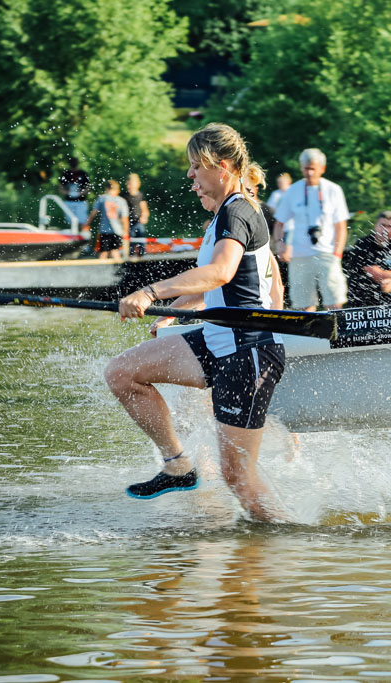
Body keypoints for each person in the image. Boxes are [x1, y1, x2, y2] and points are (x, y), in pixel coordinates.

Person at [106, 122, 288, 522]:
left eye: (195, 167)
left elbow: (221, 272)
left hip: (248, 352)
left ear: (220, 166)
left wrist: (152, 292)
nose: (190, 176)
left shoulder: (238, 211)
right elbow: (218, 285)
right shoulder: (224, 215)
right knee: (122, 373)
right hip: (215, 338)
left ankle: (290, 541)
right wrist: (178, 307)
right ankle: (177, 465)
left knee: (237, 477)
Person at [272, 148, 349, 311]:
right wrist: (280, 244)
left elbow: (341, 226)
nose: (309, 172)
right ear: (301, 168)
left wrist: (338, 253)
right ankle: (308, 335)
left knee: (334, 300)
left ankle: (335, 335)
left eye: (313, 168)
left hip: (327, 252)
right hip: (300, 254)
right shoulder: (292, 191)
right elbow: (279, 223)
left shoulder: (333, 190)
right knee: (303, 303)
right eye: (306, 168)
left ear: (322, 168)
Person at [85, 179, 129, 259]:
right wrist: (125, 231)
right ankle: (119, 269)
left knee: (103, 252)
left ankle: (100, 270)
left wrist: (86, 224)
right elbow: (124, 219)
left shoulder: (102, 199)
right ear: (117, 190)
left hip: (105, 231)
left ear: (107, 189)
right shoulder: (121, 201)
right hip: (118, 231)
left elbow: (93, 213)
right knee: (115, 251)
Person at [121, 173, 149, 257]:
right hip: (128, 221)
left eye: (131, 184)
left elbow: (144, 208)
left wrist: (144, 216)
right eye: (128, 184)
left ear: (137, 184)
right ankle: (130, 254)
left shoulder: (140, 195)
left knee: (141, 236)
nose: (129, 187)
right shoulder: (124, 195)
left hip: (138, 221)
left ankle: (142, 254)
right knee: (131, 237)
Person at [59, 157, 90, 228]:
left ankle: (83, 237)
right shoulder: (66, 174)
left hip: (81, 201)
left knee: (83, 221)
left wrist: (81, 193)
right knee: (70, 221)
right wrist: (67, 192)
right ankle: (72, 236)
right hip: (69, 201)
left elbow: (88, 188)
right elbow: (60, 188)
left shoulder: (83, 174)